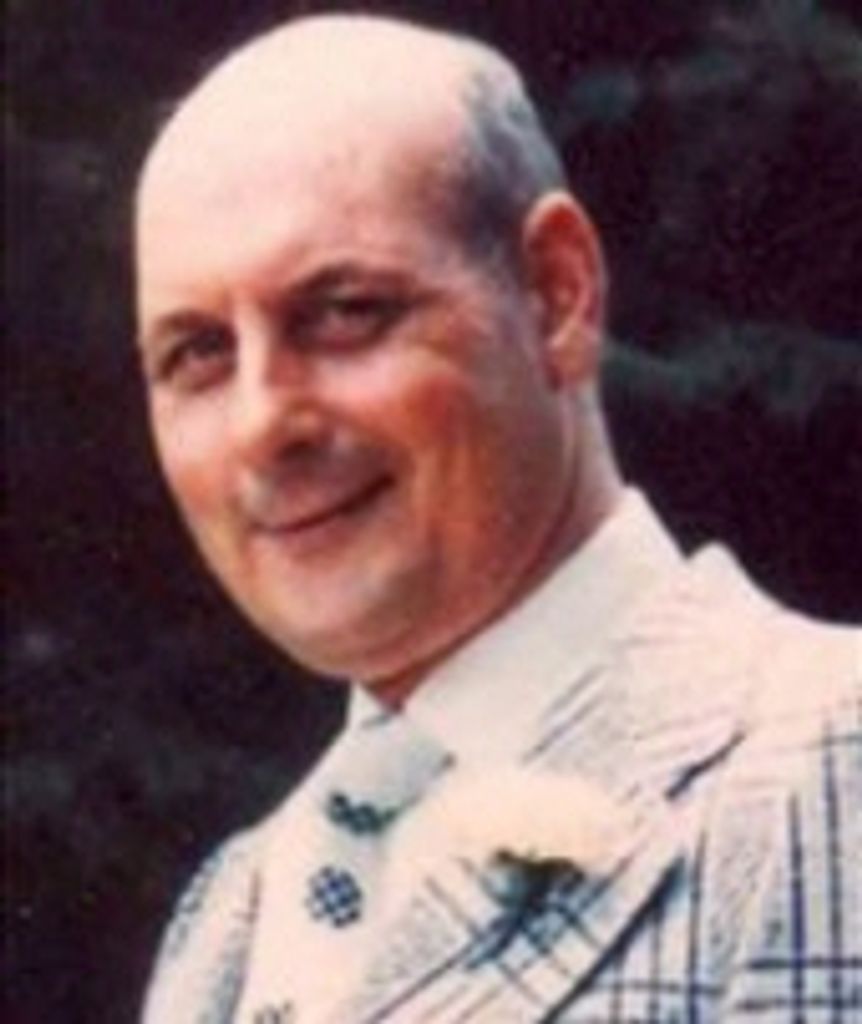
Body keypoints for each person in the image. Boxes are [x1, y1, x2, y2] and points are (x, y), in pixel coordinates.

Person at [134, 14, 860, 1023]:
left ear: (559, 295)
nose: (262, 424)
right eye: (199, 353)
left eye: (344, 312)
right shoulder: (225, 917)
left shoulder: (832, 767)